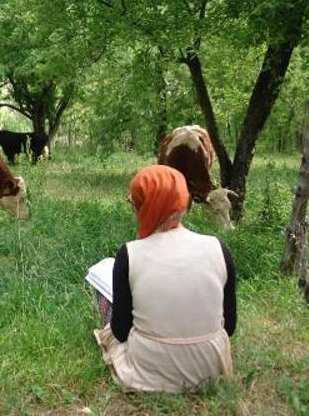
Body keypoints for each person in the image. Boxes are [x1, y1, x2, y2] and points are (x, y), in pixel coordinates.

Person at [93, 165, 237, 393]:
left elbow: (121, 332)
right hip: (211, 369)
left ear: (141, 207)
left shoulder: (129, 254)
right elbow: (228, 326)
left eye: (133, 203)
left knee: (105, 302)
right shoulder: (219, 248)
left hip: (150, 370)